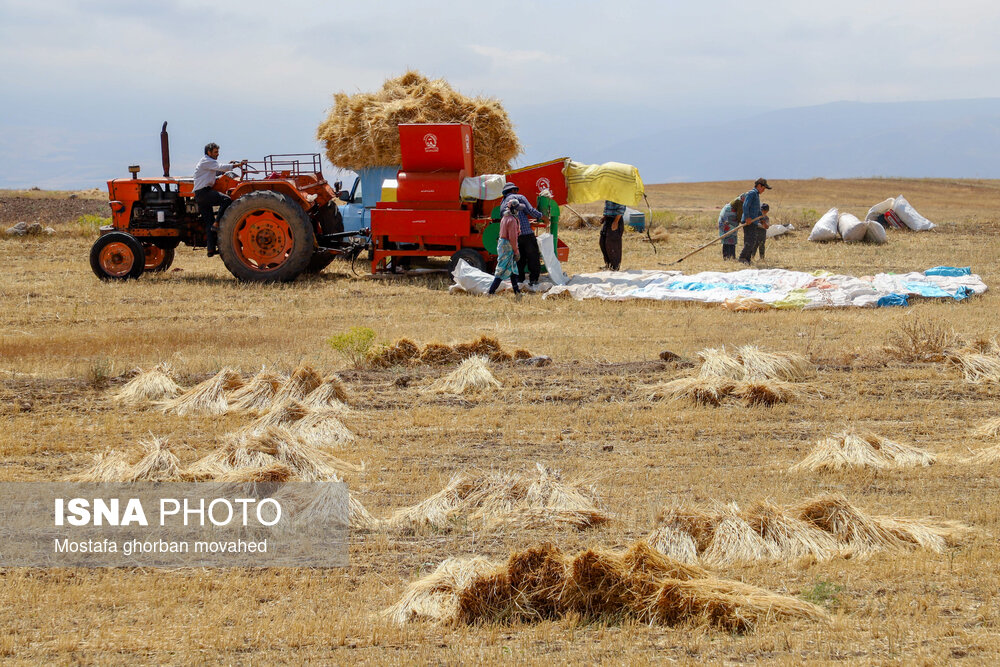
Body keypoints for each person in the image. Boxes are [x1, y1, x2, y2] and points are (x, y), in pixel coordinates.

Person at [194, 143, 242, 257]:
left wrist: (229, 166)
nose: (217, 154)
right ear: (209, 152)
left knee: (208, 223)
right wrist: (238, 165)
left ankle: (210, 249)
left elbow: (218, 170)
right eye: (215, 152)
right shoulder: (206, 161)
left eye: (218, 152)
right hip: (204, 192)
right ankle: (217, 223)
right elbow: (220, 167)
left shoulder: (208, 163)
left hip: (200, 194)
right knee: (226, 200)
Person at [499, 182, 549, 286]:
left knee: (519, 258)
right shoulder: (519, 197)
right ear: (513, 190)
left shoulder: (503, 202)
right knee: (533, 256)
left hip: (513, 236)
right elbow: (530, 210)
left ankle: (520, 279)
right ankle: (534, 280)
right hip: (526, 233)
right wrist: (543, 217)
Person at [487, 200, 522, 295]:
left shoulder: (505, 218)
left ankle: (517, 291)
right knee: (502, 269)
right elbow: (513, 238)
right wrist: (516, 251)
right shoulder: (512, 220)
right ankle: (491, 292)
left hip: (503, 244)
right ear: (513, 209)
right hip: (508, 246)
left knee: (513, 269)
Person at [737, 177, 772, 264]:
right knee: (750, 241)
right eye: (763, 188)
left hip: (753, 222)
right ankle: (742, 258)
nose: (763, 191)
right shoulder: (752, 193)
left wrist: (763, 221)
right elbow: (745, 205)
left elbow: (758, 211)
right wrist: (747, 218)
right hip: (749, 221)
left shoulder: (756, 195)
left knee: (751, 241)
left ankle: (747, 259)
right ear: (759, 186)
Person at [600, 200, 627, 270]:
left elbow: (622, 208)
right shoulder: (609, 193)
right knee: (602, 242)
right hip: (608, 219)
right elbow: (608, 207)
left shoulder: (619, 193)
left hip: (616, 220)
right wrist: (604, 217)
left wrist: (616, 221)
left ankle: (615, 267)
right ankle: (608, 265)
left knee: (612, 244)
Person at [717, 194, 744, 260]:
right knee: (727, 239)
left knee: (731, 240)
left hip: (729, 221)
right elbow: (740, 215)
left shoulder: (740, 199)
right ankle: (727, 257)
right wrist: (743, 222)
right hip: (727, 221)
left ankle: (731, 257)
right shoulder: (740, 202)